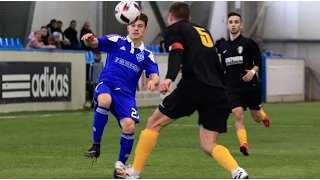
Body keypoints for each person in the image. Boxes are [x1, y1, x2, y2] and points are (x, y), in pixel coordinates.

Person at [122, 2, 249, 179]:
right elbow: (212, 63)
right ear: (189, 18)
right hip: (217, 91)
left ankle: (133, 172)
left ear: (171, 17)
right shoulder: (203, 31)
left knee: (153, 123)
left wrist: (169, 78)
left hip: (193, 87)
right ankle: (238, 172)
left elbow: (176, 51)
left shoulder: (174, 29)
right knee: (208, 144)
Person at [81, 13, 160, 179]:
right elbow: (94, 42)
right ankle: (96, 145)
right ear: (127, 26)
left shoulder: (146, 54)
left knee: (129, 126)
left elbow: (155, 74)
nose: (135, 28)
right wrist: (89, 39)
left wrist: (153, 81)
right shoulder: (117, 41)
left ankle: (120, 167)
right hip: (107, 84)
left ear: (145, 30)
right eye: (133, 25)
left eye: (140, 26)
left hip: (126, 95)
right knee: (104, 100)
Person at [219, 12, 271, 156]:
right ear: (227, 25)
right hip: (232, 88)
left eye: (236, 22)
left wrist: (253, 72)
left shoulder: (248, 43)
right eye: (231, 22)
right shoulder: (223, 46)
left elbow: (258, 62)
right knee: (238, 113)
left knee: (256, 117)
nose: (233, 24)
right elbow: (222, 67)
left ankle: (263, 117)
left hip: (250, 87)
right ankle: (244, 144)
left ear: (241, 25)